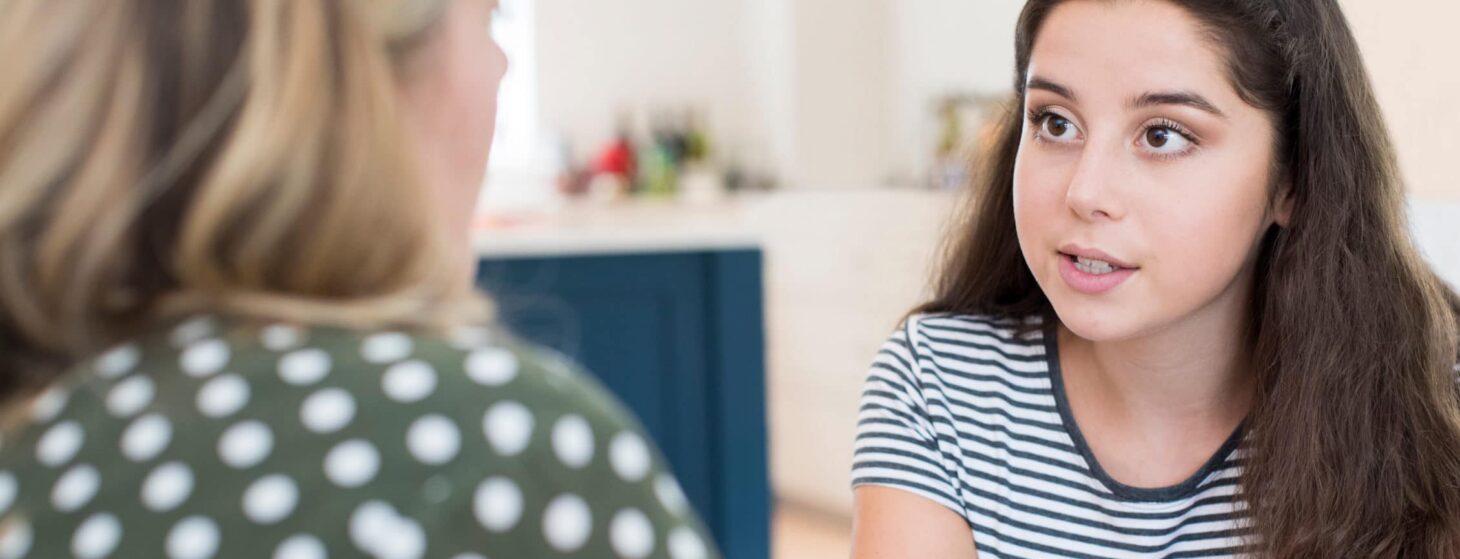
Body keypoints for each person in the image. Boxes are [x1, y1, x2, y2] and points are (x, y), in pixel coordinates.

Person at [0, 1, 716, 558]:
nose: (500, 68)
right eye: (487, 17)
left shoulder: (35, 452)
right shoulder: (502, 456)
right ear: (360, 69)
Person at [850, 0, 1460, 557]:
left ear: (1292, 179)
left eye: (1162, 135)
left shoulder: (1434, 402)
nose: (1085, 191)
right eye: (1055, 123)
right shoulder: (937, 387)